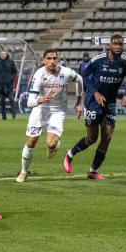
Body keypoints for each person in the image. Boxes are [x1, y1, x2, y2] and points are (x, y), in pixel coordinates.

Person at [63, 33, 126, 180]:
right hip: (93, 102)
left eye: (120, 44)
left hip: (110, 103)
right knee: (92, 138)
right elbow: (83, 75)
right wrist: (95, 92)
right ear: (110, 45)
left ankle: (93, 170)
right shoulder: (98, 60)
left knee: (107, 136)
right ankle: (70, 154)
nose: (118, 47)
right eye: (115, 44)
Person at [17, 49, 83, 183]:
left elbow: (80, 79)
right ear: (44, 61)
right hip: (40, 108)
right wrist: (40, 100)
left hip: (57, 110)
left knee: (51, 144)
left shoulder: (65, 72)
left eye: (54, 58)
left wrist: (78, 102)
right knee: (31, 142)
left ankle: (54, 146)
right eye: (49, 59)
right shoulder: (39, 75)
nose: (52, 61)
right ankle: (23, 172)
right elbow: (29, 102)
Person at [0, 48, 18, 120]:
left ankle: (14, 115)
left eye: (4, 54)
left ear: (6, 54)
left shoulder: (10, 62)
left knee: (11, 100)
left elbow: (15, 72)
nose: (3, 55)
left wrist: (11, 79)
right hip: (0, 84)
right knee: (2, 101)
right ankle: (4, 117)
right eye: (1, 54)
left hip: (9, 84)